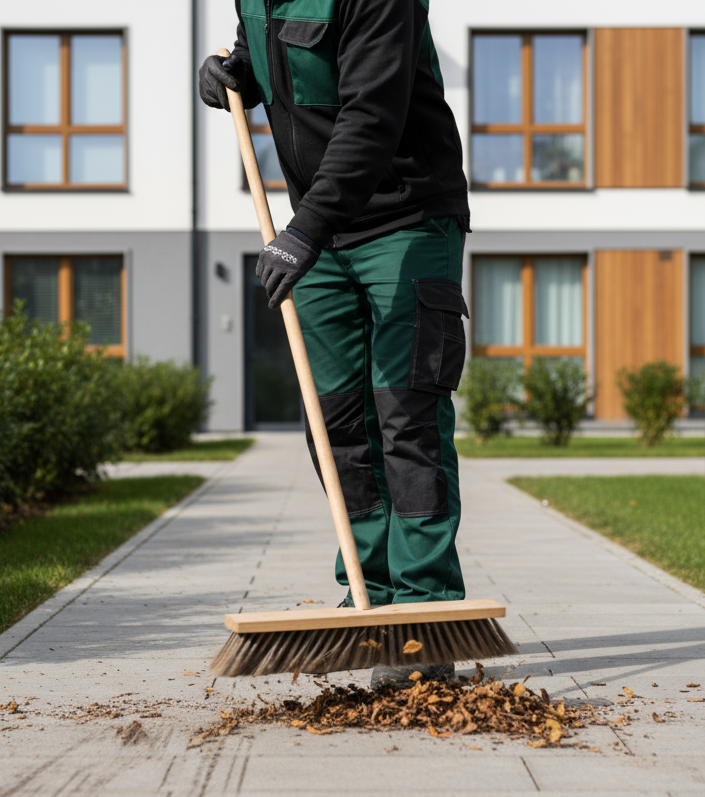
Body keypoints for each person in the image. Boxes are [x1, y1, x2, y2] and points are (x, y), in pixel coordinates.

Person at [199, 0, 470, 687]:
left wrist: (303, 229)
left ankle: (425, 614)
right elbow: (269, 55)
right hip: (320, 229)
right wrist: (235, 72)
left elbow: (371, 114)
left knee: (407, 413)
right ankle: (368, 596)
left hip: (405, 217)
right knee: (337, 423)